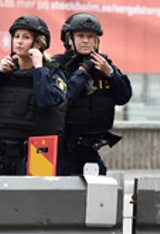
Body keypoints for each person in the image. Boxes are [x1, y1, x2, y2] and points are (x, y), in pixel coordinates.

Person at [0, 15, 68, 176]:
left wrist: (38, 69)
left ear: (39, 44)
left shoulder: (53, 72)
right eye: (16, 36)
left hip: (37, 154)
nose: (19, 41)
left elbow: (47, 101)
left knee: (34, 200)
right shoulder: (1, 70)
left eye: (26, 37)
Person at [53, 13, 132, 176]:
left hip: (90, 149)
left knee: (99, 194)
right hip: (62, 150)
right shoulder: (58, 66)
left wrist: (110, 73)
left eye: (91, 37)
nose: (86, 41)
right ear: (69, 39)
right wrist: (83, 71)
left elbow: (124, 97)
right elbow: (62, 99)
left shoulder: (104, 65)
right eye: (80, 36)